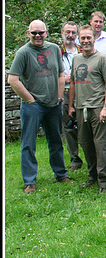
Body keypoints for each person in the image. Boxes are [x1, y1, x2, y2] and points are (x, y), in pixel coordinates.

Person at [8, 20, 72, 194]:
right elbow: (12, 79)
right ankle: (30, 181)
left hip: (53, 105)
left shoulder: (53, 49)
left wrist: (59, 98)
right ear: (28, 33)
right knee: (28, 144)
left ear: (46, 32)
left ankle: (61, 174)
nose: (37, 36)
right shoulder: (23, 53)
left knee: (56, 141)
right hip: (33, 106)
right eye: (34, 33)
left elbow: (60, 74)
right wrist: (30, 100)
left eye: (40, 33)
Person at [69, 25, 106, 194]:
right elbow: (73, 83)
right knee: (86, 144)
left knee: (102, 145)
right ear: (78, 40)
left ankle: (104, 181)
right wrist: (70, 105)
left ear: (94, 39)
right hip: (81, 108)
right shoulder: (76, 59)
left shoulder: (102, 58)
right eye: (83, 38)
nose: (86, 41)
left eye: (89, 38)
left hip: (98, 107)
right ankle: (92, 176)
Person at [60, 21, 83, 171]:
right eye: (67, 32)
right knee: (68, 127)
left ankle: (92, 157)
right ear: (62, 33)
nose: (70, 35)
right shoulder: (57, 52)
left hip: (82, 90)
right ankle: (75, 159)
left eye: (73, 33)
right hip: (65, 91)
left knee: (85, 124)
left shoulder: (82, 50)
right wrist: (62, 79)